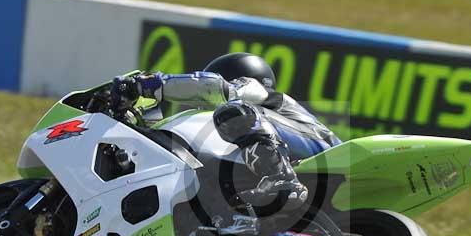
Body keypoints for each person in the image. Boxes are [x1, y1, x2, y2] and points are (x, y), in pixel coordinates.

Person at [115, 53, 340, 212]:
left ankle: (282, 181)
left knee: (232, 111)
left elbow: (215, 89)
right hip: (311, 173)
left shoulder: (256, 92)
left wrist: (150, 85)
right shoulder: (254, 139)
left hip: (326, 152)